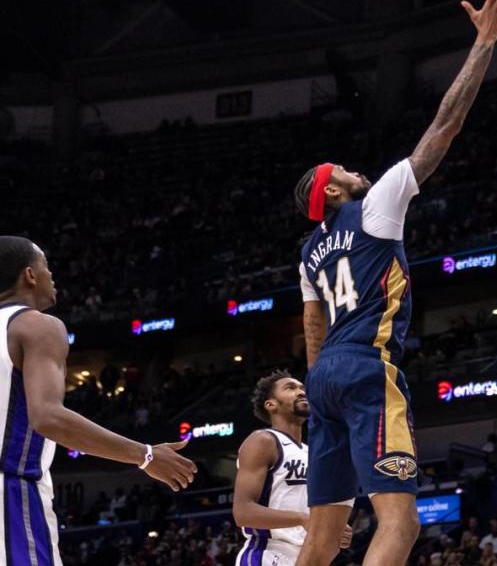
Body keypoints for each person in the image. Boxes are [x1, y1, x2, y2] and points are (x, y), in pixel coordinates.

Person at [293, 0, 497, 566]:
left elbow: (313, 333)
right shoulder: (373, 206)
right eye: (343, 168)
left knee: (322, 535)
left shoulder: (309, 250)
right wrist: (485, 44)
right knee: (402, 522)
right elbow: (446, 124)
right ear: (335, 190)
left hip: (325, 381)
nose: (354, 169)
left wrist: (322, 394)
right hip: (369, 366)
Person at [0, 236, 197, 565]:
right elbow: (47, 417)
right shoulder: (35, 325)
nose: (52, 275)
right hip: (10, 495)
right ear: (30, 275)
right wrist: (146, 455)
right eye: (46, 267)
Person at [233, 370, 352, 565]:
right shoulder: (263, 440)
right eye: (290, 388)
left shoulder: (311, 452)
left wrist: (333, 526)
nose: (301, 392)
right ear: (271, 404)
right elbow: (243, 512)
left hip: (308, 554)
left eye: (303, 388)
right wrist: (303, 519)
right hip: (268, 553)